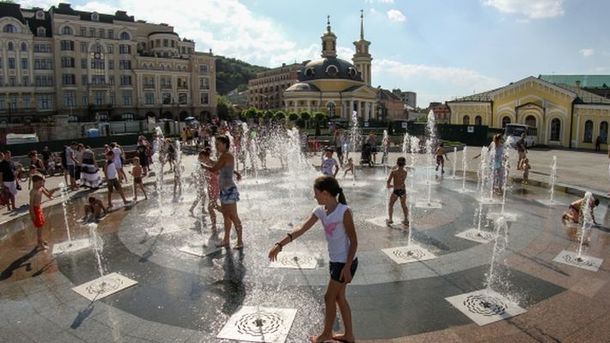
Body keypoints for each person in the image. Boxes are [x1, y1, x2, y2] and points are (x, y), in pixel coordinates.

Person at [268, 176, 358, 343]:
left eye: (316, 193)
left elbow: (354, 240)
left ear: (325, 193)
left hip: (345, 262)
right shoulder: (320, 211)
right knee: (339, 298)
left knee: (329, 297)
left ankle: (326, 334)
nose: (314, 196)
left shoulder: (343, 211)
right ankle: (349, 335)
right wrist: (280, 244)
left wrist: (347, 266)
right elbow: (301, 229)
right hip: (336, 261)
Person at [203, 135, 244, 249]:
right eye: (215, 144)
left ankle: (240, 241)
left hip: (229, 190)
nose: (216, 146)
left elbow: (214, 168)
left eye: (218, 144)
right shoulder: (224, 156)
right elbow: (220, 166)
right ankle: (226, 240)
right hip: (224, 191)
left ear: (225, 144)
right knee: (226, 216)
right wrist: (236, 172)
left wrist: (203, 165)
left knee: (234, 216)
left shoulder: (226, 155)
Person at [29, 174, 53, 250]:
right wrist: (33, 214)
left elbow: (49, 195)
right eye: (39, 183)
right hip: (35, 210)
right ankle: (40, 244)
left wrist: (54, 190)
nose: (41, 184)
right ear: (34, 183)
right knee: (39, 227)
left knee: (41, 225)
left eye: (42, 183)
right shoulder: (33, 192)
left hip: (39, 208)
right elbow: (31, 204)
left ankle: (41, 240)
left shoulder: (41, 188)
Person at [386, 157, 409, 226]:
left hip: (396, 191)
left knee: (391, 204)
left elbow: (388, 184)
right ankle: (406, 219)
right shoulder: (405, 172)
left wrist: (394, 186)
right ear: (404, 164)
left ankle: (390, 219)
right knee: (404, 205)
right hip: (403, 191)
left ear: (397, 163)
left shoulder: (394, 172)